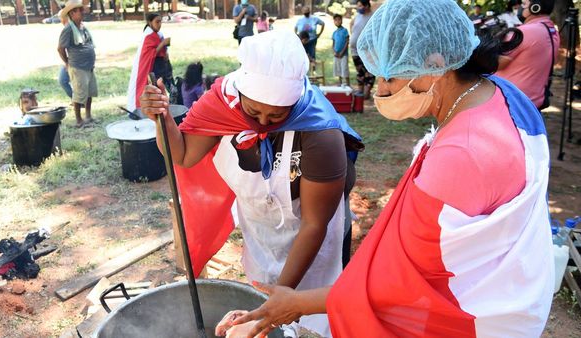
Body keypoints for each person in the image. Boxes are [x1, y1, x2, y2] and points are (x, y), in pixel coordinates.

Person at [229, 0, 552, 337]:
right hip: (516, 289)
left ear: (435, 65)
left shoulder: (462, 154)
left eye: (390, 77)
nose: (380, 91)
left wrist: (297, 303)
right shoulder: (504, 94)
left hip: (473, 317)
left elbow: (401, 287)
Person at [140, 30, 362, 337]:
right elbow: (184, 154)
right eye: (253, 111)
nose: (261, 123)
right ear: (241, 93)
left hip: (313, 235)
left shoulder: (321, 133)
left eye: (276, 116)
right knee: (261, 289)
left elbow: (314, 224)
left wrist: (281, 297)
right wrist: (162, 118)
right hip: (260, 228)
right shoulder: (221, 104)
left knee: (312, 319)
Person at [495, 0, 559, 109]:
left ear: (535, 7)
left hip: (512, 104)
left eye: (524, 4)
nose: (520, 7)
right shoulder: (551, 30)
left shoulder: (524, 32)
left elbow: (494, 62)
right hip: (533, 101)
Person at [57, 0, 97, 127]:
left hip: (89, 66)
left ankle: (88, 116)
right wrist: (67, 62)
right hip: (77, 66)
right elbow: (60, 48)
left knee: (89, 92)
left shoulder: (83, 27)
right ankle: (79, 120)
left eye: (81, 9)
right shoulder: (68, 29)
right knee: (79, 94)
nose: (82, 12)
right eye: (79, 10)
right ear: (72, 13)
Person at [126, 13, 172, 113]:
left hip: (159, 67)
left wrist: (165, 49)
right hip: (151, 68)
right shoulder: (148, 36)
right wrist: (163, 43)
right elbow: (151, 54)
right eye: (157, 22)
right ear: (150, 22)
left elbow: (161, 51)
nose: (159, 24)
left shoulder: (158, 34)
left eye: (160, 22)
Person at [350, 0, 374, 99]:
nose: (358, 8)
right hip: (355, 50)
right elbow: (352, 24)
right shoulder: (358, 15)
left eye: (360, 6)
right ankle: (360, 92)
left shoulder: (373, 17)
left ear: (367, 6)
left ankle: (367, 93)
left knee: (369, 71)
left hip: (367, 50)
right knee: (360, 71)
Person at [57, 10, 72, 98]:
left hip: (73, 60)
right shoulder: (77, 26)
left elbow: (60, 48)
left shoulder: (68, 28)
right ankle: (77, 100)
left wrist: (67, 62)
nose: (61, 21)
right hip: (74, 59)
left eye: (61, 19)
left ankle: (77, 101)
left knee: (63, 80)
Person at [332, 14, 349, 86]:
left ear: (342, 21)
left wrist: (342, 52)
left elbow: (347, 42)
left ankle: (348, 84)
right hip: (336, 54)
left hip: (343, 54)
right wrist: (334, 52)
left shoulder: (345, 30)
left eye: (339, 19)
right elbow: (333, 43)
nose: (337, 21)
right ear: (334, 22)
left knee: (344, 68)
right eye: (335, 20)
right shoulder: (334, 33)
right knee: (338, 69)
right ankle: (340, 82)